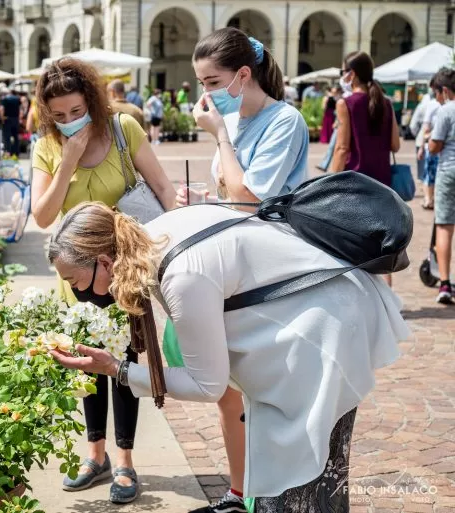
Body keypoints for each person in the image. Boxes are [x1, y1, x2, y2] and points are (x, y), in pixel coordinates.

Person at [48, 201, 408, 513]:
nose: (77, 292)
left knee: (298, 482)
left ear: (104, 261)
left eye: (75, 282)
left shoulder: (179, 275)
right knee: (297, 480)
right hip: (320, 321)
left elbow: (206, 384)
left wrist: (117, 369)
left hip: (323, 333)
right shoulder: (155, 234)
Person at [175, 28, 310, 513]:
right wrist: (203, 200)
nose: (204, 94)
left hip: (270, 272)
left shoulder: (284, 120)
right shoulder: (235, 120)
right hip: (233, 268)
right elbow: (232, 197)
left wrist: (222, 138)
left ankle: (266, 495)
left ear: (243, 76)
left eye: (212, 82)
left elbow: (251, 198)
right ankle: (239, 492)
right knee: (229, 394)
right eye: (201, 83)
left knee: (261, 392)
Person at [31, 57, 175, 504]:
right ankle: (96, 456)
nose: (70, 121)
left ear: (91, 100)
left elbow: (164, 190)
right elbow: (42, 216)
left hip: (122, 274)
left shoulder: (122, 130)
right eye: (59, 115)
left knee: (122, 367)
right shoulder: (48, 148)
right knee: (83, 364)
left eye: (76, 110)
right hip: (74, 278)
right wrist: (67, 160)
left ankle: (126, 461)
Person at [329, 51, 400, 286]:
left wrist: (329, 181)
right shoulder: (385, 103)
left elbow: (341, 148)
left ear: (352, 74)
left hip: (355, 183)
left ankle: (364, 298)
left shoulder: (346, 104)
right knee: (382, 245)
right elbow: (395, 145)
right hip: (383, 180)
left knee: (354, 243)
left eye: (343, 72)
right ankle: (387, 297)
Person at [428, 67, 455, 304]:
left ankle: (445, 283)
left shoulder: (446, 111)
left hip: (449, 171)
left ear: (445, 90)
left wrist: (429, 141)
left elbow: (435, 146)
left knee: (445, 226)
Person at [418, 77, 443, 210]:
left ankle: (431, 200)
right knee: (429, 174)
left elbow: (426, 128)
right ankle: (429, 199)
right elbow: (425, 128)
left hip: (435, 147)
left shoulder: (436, 105)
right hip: (432, 146)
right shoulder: (432, 105)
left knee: (431, 175)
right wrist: (422, 146)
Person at [0, 88, 22, 157]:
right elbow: (21, 108)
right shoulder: (17, 99)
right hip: (16, 119)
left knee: (7, 137)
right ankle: (16, 152)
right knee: (16, 137)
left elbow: (1, 109)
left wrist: (2, 118)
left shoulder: (4, 99)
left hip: (7, 119)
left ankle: (8, 152)